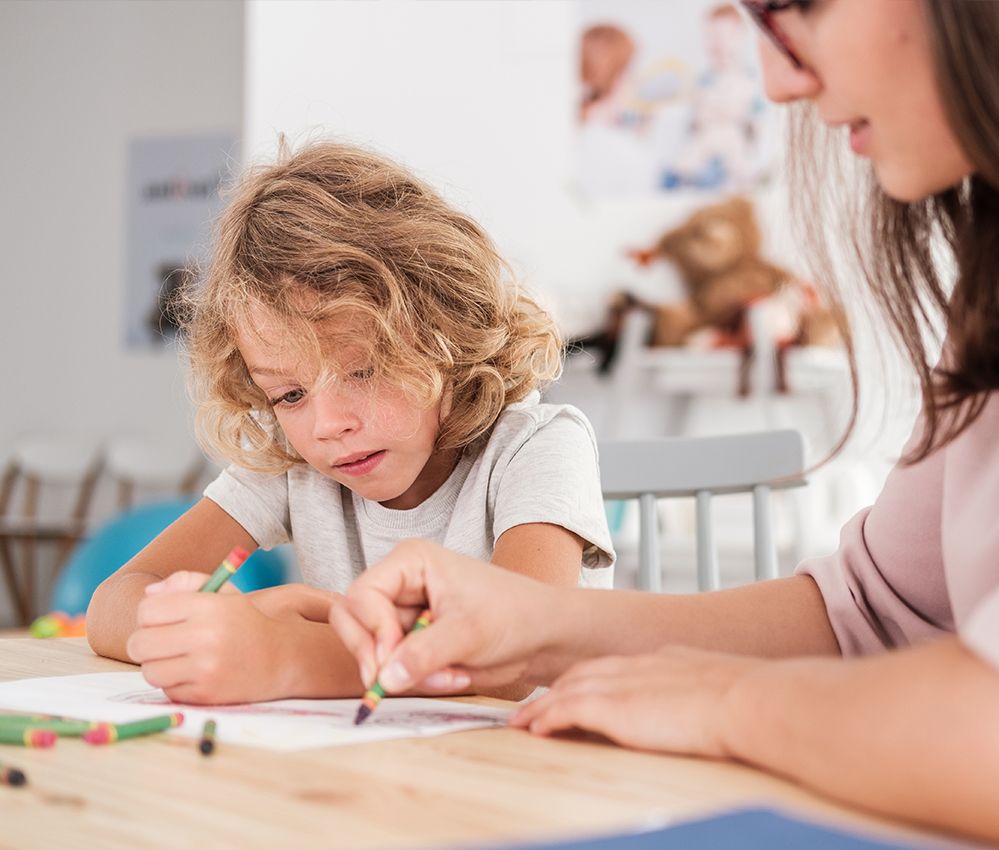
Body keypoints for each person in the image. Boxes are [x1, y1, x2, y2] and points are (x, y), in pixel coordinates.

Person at [330, 1, 999, 841]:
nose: (778, 79)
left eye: (801, 8)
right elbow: (869, 616)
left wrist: (724, 699)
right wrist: (536, 626)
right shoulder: (986, 296)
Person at [86, 141, 614, 705]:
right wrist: (234, 622)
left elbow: (517, 653)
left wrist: (286, 653)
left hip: (528, 774)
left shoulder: (536, 447)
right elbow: (111, 604)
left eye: (362, 371)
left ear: (444, 332)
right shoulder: (296, 466)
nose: (328, 425)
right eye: (289, 394)